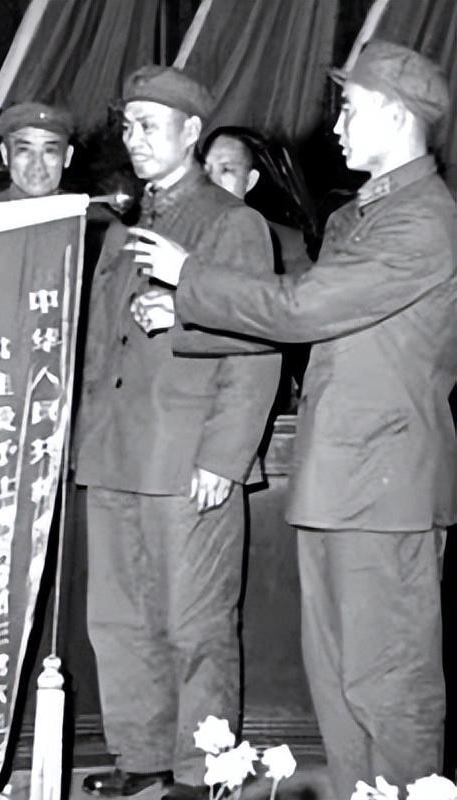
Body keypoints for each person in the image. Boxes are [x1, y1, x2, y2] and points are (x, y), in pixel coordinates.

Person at [130, 40, 456, 798]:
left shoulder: (424, 221)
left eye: (350, 109)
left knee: (388, 683)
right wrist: (184, 317)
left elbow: (305, 306)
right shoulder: (359, 218)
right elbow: (303, 321)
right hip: (341, 479)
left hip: (385, 486)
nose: (335, 126)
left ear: (397, 115)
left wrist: (190, 277)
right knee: (339, 683)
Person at [73, 66, 281, 800]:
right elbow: (100, 350)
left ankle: (201, 771)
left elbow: (257, 350)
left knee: (196, 626)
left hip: (187, 457)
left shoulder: (232, 224)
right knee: (119, 621)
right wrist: (86, 447)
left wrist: (224, 457)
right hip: (116, 455)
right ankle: (143, 757)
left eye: (150, 125)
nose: (134, 139)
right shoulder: (123, 228)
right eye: (128, 125)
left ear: (192, 132)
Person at [202, 128, 311, 276]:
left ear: (250, 180)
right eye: (206, 169)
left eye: (226, 170)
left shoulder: (289, 246)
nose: (211, 180)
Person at [0, 102, 75, 200]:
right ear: (5, 154)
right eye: (24, 150)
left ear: (67, 156)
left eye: (49, 151)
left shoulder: (81, 207)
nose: (37, 164)